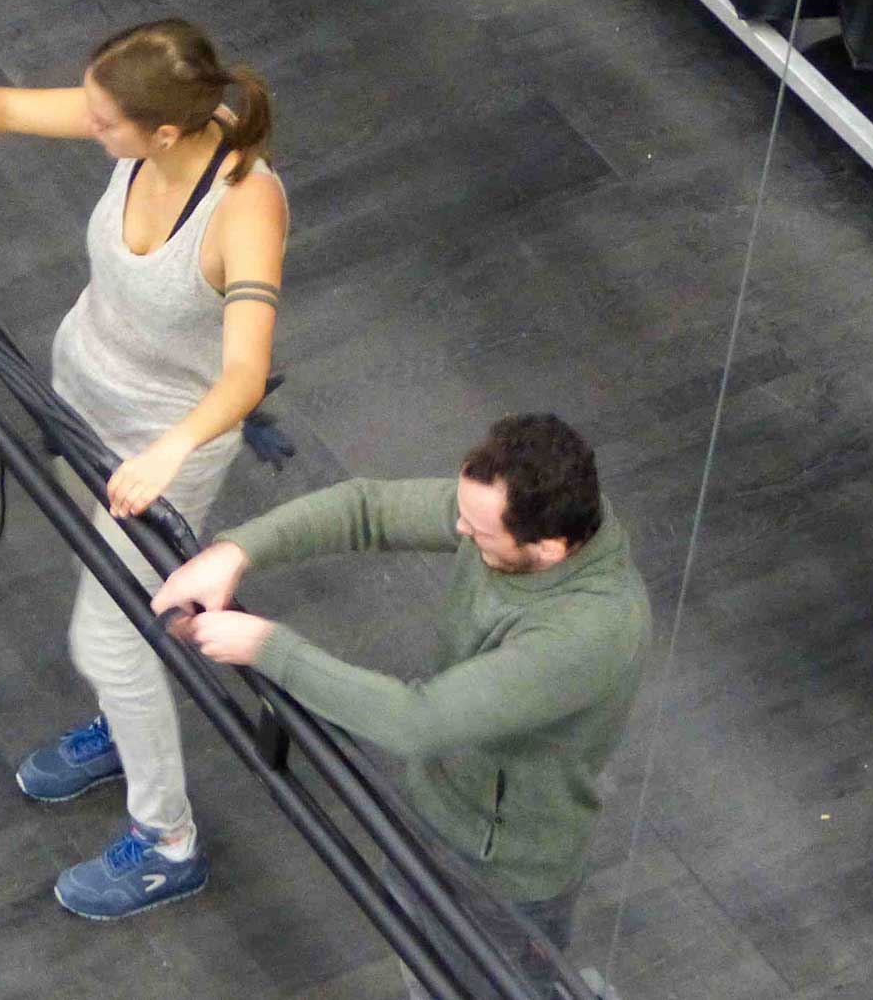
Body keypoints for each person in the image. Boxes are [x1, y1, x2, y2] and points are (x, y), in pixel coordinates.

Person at [0, 19, 289, 921]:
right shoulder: (141, 125)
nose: (89, 126)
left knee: (111, 638)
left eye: (104, 121)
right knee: (102, 588)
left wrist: (167, 449)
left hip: (163, 451)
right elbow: (1, 106)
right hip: (80, 404)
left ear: (162, 133)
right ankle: (125, 728)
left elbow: (242, 373)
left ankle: (168, 841)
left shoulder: (244, 204)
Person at [151, 414, 650, 996]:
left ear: (548, 549)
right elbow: (369, 510)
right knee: (425, 967)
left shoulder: (589, 630)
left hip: (501, 873)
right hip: (436, 808)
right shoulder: (518, 514)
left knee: (490, 985)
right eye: (462, 512)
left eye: (479, 531)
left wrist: (266, 646)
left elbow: (418, 720)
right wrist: (236, 551)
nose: (459, 528)